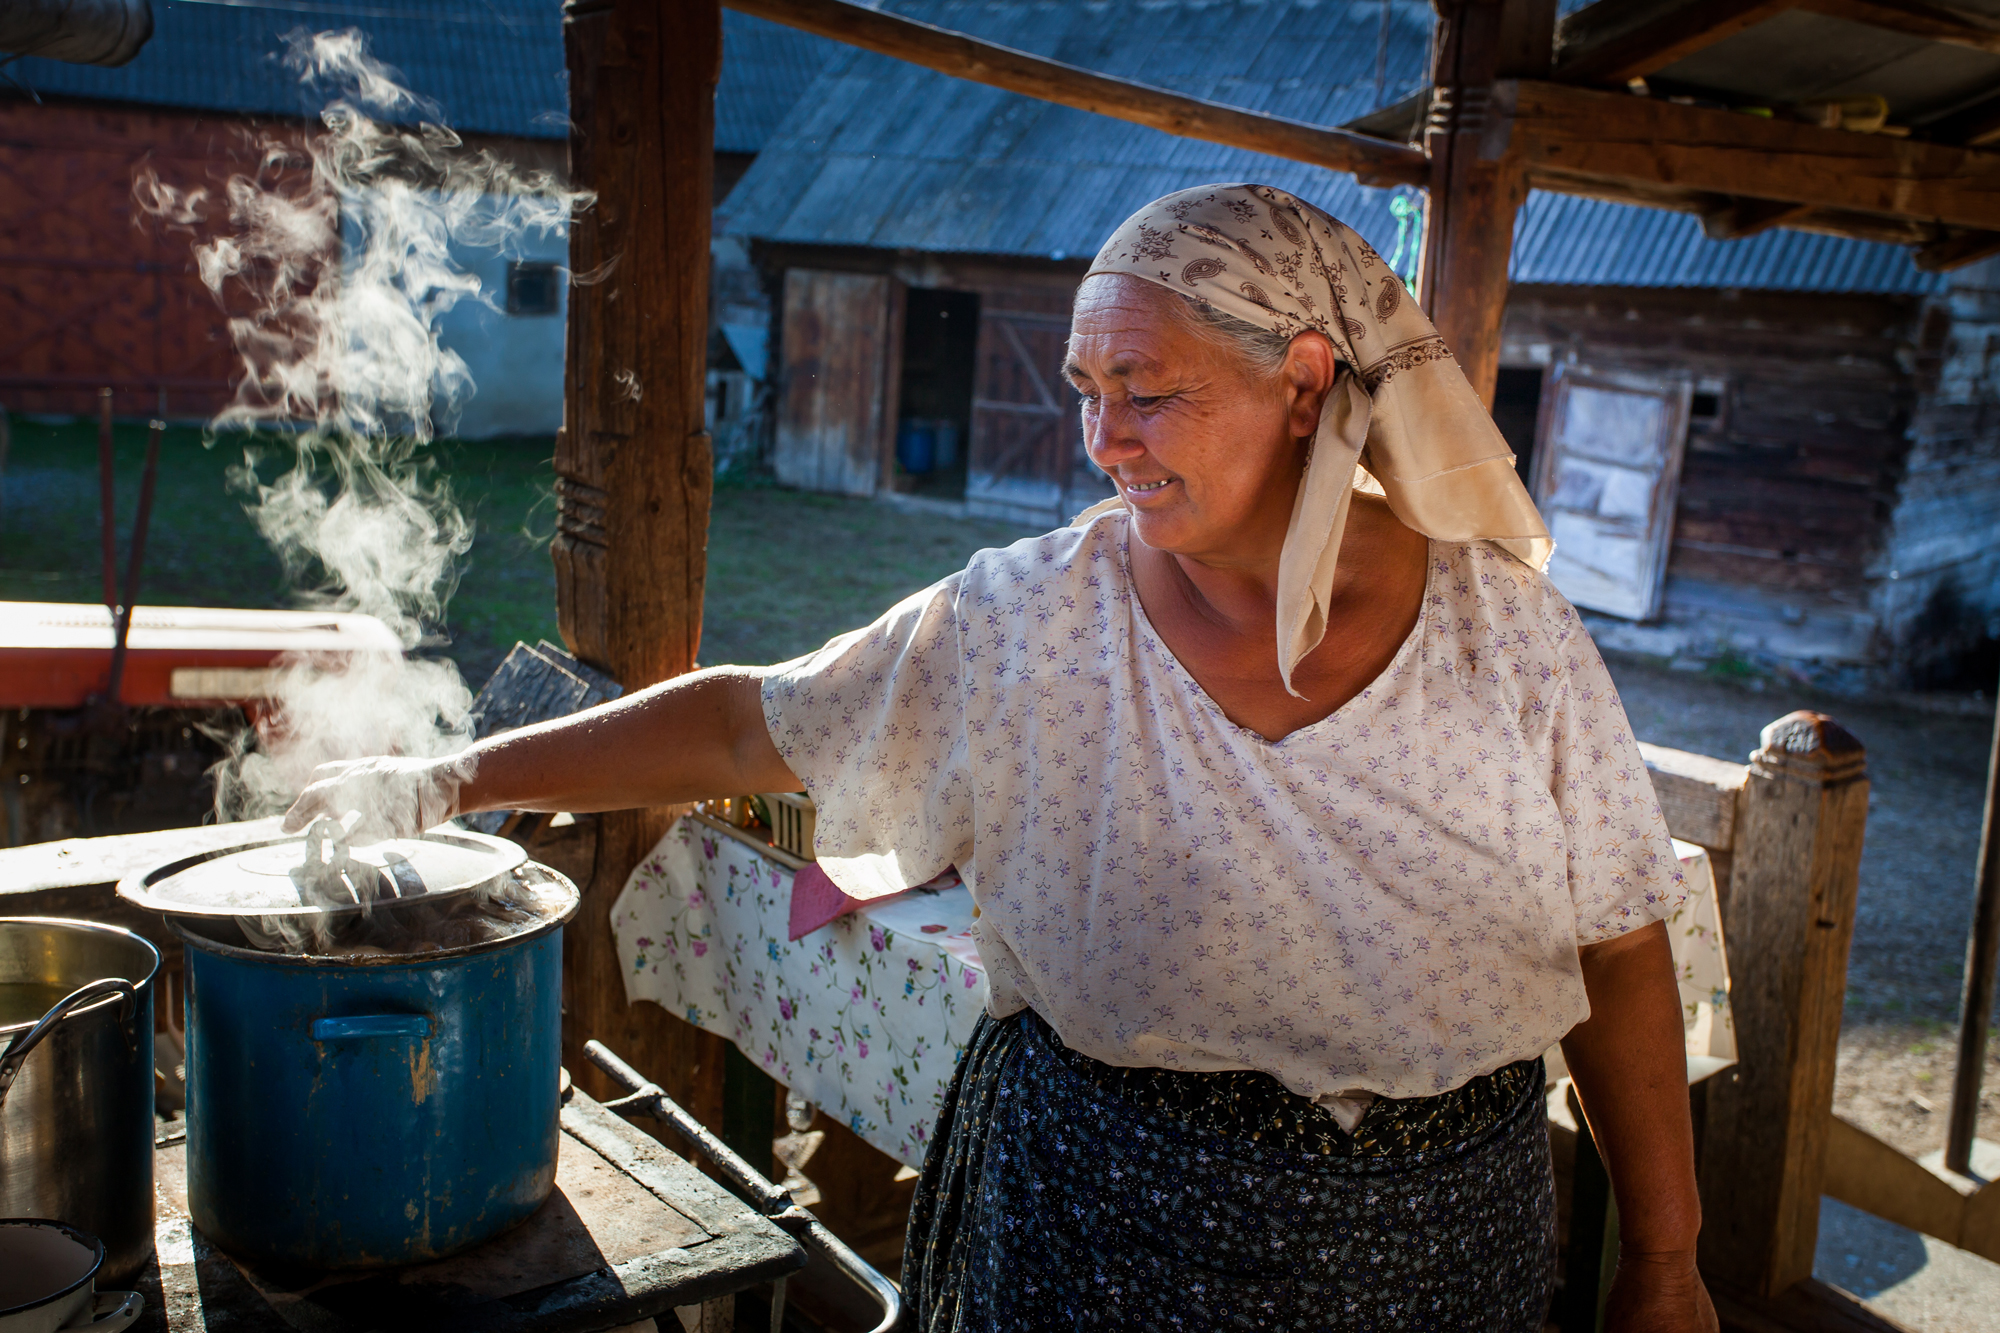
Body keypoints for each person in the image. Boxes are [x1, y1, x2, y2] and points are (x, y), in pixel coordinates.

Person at [287, 184, 1717, 1332]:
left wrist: (1665, 1260)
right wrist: (454, 777)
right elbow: (747, 721)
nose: (1104, 439)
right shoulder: (1030, 620)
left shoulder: (1501, 637)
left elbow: (1617, 943)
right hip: (1107, 1226)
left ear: (1302, 381)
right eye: (1087, 387)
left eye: (1146, 390)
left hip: (1433, 1249)